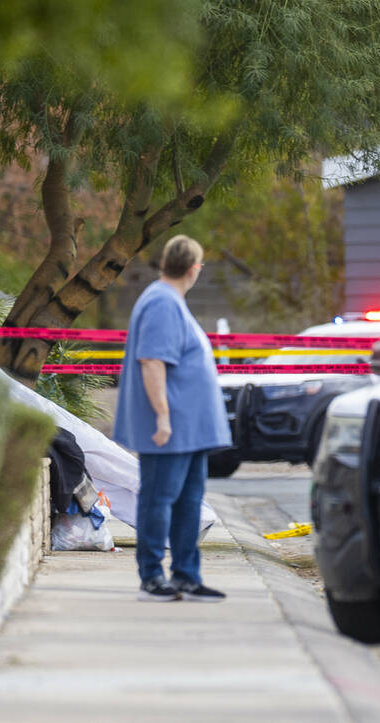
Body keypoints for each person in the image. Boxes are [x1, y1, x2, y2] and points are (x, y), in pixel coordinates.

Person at [114, 235, 232, 602]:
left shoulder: (168, 300)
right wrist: (163, 418)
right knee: (158, 500)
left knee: (187, 502)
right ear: (194, 269)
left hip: (190, 431)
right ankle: (151, 577)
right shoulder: (162, 303)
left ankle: (185, 575)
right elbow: (152, 362)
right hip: (171, 428)